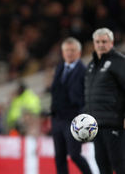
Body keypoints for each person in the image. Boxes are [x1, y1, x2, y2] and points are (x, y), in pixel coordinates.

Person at [84, 28, 125, 174]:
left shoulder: (119, 62)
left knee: (119, 165)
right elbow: (90, 95)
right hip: (96, 127)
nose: (101, 44)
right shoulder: (91, 65)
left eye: (104, 41)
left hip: (114, 124)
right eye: (98, 42)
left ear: (112, 43)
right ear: (94, 43)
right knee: (102, 165)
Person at [50, 37, 92, 174]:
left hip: (73, 119)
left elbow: (87, 96)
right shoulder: (60, 68)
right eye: (67, 50)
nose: (69, 53)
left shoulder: (84, 71)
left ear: (79, 53)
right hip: (57, 119)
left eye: (72, 50)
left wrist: (82, 118)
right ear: (63, 52)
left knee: (74, 154)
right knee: (59, 157)